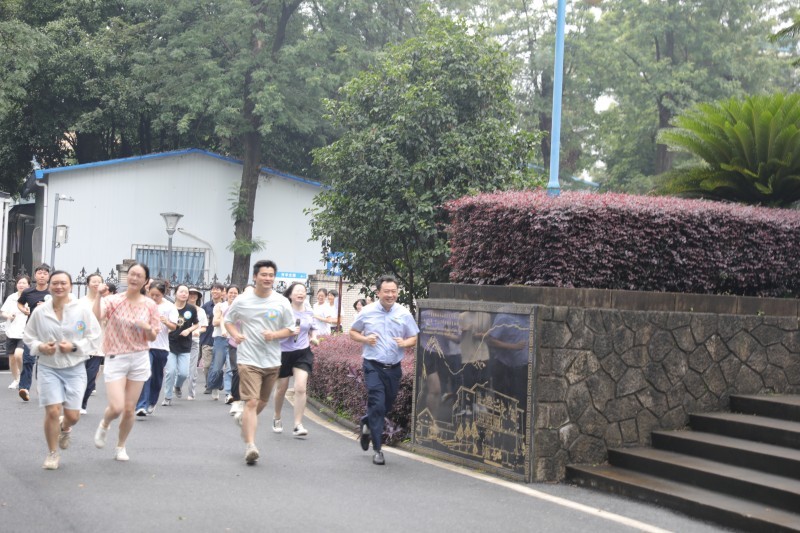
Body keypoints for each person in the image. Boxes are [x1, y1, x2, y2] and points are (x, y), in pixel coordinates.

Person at [22, 270, 101, 469]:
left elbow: (94, 336)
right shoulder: (40, 311)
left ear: (70, 286)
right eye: (55, 283)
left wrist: (74, 346)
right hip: (48, 367)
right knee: (52, 411)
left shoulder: (82, 310)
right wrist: (40, 346)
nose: (59, 287)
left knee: (73, 416)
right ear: (49, 286)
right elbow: (28, 336)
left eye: (63, 283)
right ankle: (52, 453)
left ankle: (65, 428)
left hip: (75, 368)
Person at [224, 260, 294, 465]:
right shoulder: (242, 300)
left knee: (262, 402)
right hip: (248, 358)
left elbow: (290, 328)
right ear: (255, 277)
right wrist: (235, 334)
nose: (268, 278)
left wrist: (274, 335)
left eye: (271, 275)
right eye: (264, 274)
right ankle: (250, 446)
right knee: (252, 402)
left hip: (272, 360)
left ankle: (244, 421)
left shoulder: (281, 301)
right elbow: (228, 321)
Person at [93, 262, 160, 461]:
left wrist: (147, 328)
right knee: (116, 407)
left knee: (130, 409)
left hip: (139, 357)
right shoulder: (113, 300)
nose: (134, 278)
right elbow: (96, 316)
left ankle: (120, 446)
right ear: (127, 276)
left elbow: (153, 336)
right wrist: (98, 296)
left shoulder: (150, 305)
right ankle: (105, 424)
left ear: (146, 281)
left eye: (139, 276)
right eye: (132, 274)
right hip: (116, 356)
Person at [349, 275, 419, 466]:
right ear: (378, 292)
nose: (390, 295)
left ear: (398, 292)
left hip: (394, 369)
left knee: (385, 406)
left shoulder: (404, 313)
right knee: (378, 405)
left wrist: (405, 343)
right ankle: (378, 450)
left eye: (393, 291)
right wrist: (366, 339)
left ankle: (366, 422)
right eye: (386, 291)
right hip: (373, 366)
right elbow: (353, 332)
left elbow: (414, 337)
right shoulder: (367, 312)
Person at [272, 282, 319, 437]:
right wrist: (288, 332)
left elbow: (313, 328)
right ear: (290, 295)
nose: (301, 293)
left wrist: (314, 337)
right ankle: (277, 417)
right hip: (283, 352)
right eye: (297, 291)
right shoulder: (284, 311)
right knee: (282, 388)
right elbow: (274, 333)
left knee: (300, 388)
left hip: (302, 352)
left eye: (303, 291)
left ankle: (298, 424)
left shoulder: (309, 311)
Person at [135, 282, 176, 416]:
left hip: (161, 347)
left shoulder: (169, 307)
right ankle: (141, 405)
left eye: (157, 295)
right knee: (145, 373)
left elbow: (174, 327)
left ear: (163, 294)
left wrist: (166, 322)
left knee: (157, 377)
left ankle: (152, 402)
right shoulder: (143, 304)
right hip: (146, 345)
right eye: (151, 294)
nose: (153, 297)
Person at [17, 264, 52, 402]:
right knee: (28, 359)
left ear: (49, 276)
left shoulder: (53, 292)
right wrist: (23, 310)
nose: (42, 275)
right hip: (31, 330)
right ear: (35, 275)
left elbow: (63, 307)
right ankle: (24, 388)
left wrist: (47, 306)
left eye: (45, 273)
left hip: (48, 331)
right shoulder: (28, 292)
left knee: (44, 361)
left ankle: (42, 388)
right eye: (39, 273)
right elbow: (20, 303)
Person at [162, 284, 200, 405]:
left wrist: (189, 330)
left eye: (186, 292)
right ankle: (167, 397)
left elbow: (196, 324)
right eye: (181, 291)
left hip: (185, 345)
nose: (184, 294)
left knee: (184, 373)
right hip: (170, 344)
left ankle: (177, 386)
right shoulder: (169, 307)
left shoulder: (191, 309)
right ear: (175, 293)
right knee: (170, 371)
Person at [79, 273, 105, 414]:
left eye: (99, 282)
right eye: (93, 281)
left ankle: (83, 404)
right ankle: (75, 402)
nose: (96, 284)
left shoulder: (105, 302)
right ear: (87, 284)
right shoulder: (80, 302)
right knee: (78, 375)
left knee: (91, 377)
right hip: (81, 344)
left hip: (97, 345)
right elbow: (77, 322)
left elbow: (100, 318)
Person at [205, 285, 237, 400]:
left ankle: (228, 393)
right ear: (226, 293)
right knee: (217, 366)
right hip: (220, 338)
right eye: (231, 292)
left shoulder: (240, 307)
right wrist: (228, 321)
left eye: (235, 293)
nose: (233, 295)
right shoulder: (220, 306)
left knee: (230, 367)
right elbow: (215, 322)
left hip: (233, 339)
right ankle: (215, 386)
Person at [1, 275, 30, 389]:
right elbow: (2, 312)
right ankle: (16, 379)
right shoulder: (11, 297)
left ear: (28, 285)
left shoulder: (30, 297)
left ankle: (23, 375)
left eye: (24, 283)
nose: (21, 285)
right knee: (12, 359)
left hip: (25, 332)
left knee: (18, 354)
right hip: (11, 331)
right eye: (19, 283)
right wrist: (8, 315)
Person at [200, 283, 224, 389]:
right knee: (207, 365)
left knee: (218, 366)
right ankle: (210, 383)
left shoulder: (225, 306)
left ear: (223, 292)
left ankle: (216, 383)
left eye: (218, 289)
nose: (215, 291)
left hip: (221, 338)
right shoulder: (205, 307)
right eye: (213, 289)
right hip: (207, 339)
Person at [186, 288, 207, 400]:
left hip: (194, 341)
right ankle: (177, 384)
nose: (192, 296)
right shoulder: (181, 308)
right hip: (181, 341)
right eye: (190, 293)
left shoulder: (201, 311)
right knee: (180, 368)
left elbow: (204, 327)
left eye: (195, 294)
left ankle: (191, 391)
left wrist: (198, 331)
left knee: (193, 368)